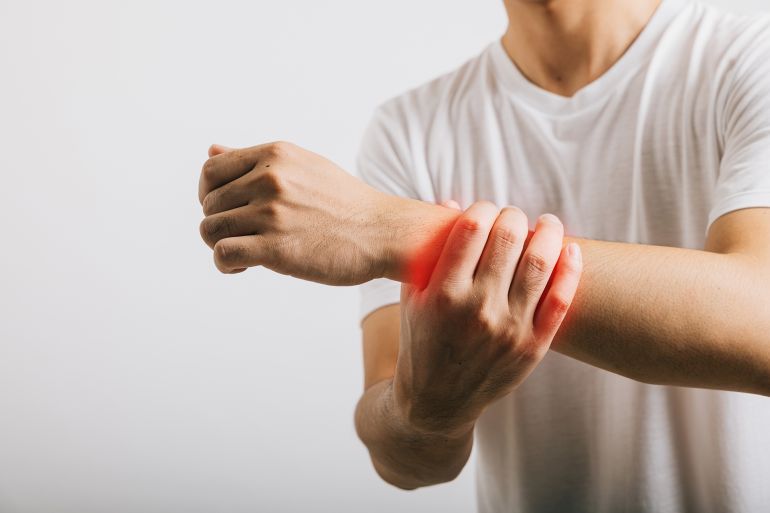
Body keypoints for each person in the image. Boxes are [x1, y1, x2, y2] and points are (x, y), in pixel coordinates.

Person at [197, 0, 770, 510]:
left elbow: (759, 320)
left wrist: (386, 229)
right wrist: (426, 408)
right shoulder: (409, 130)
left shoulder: (750, 56)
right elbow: (403, 462)